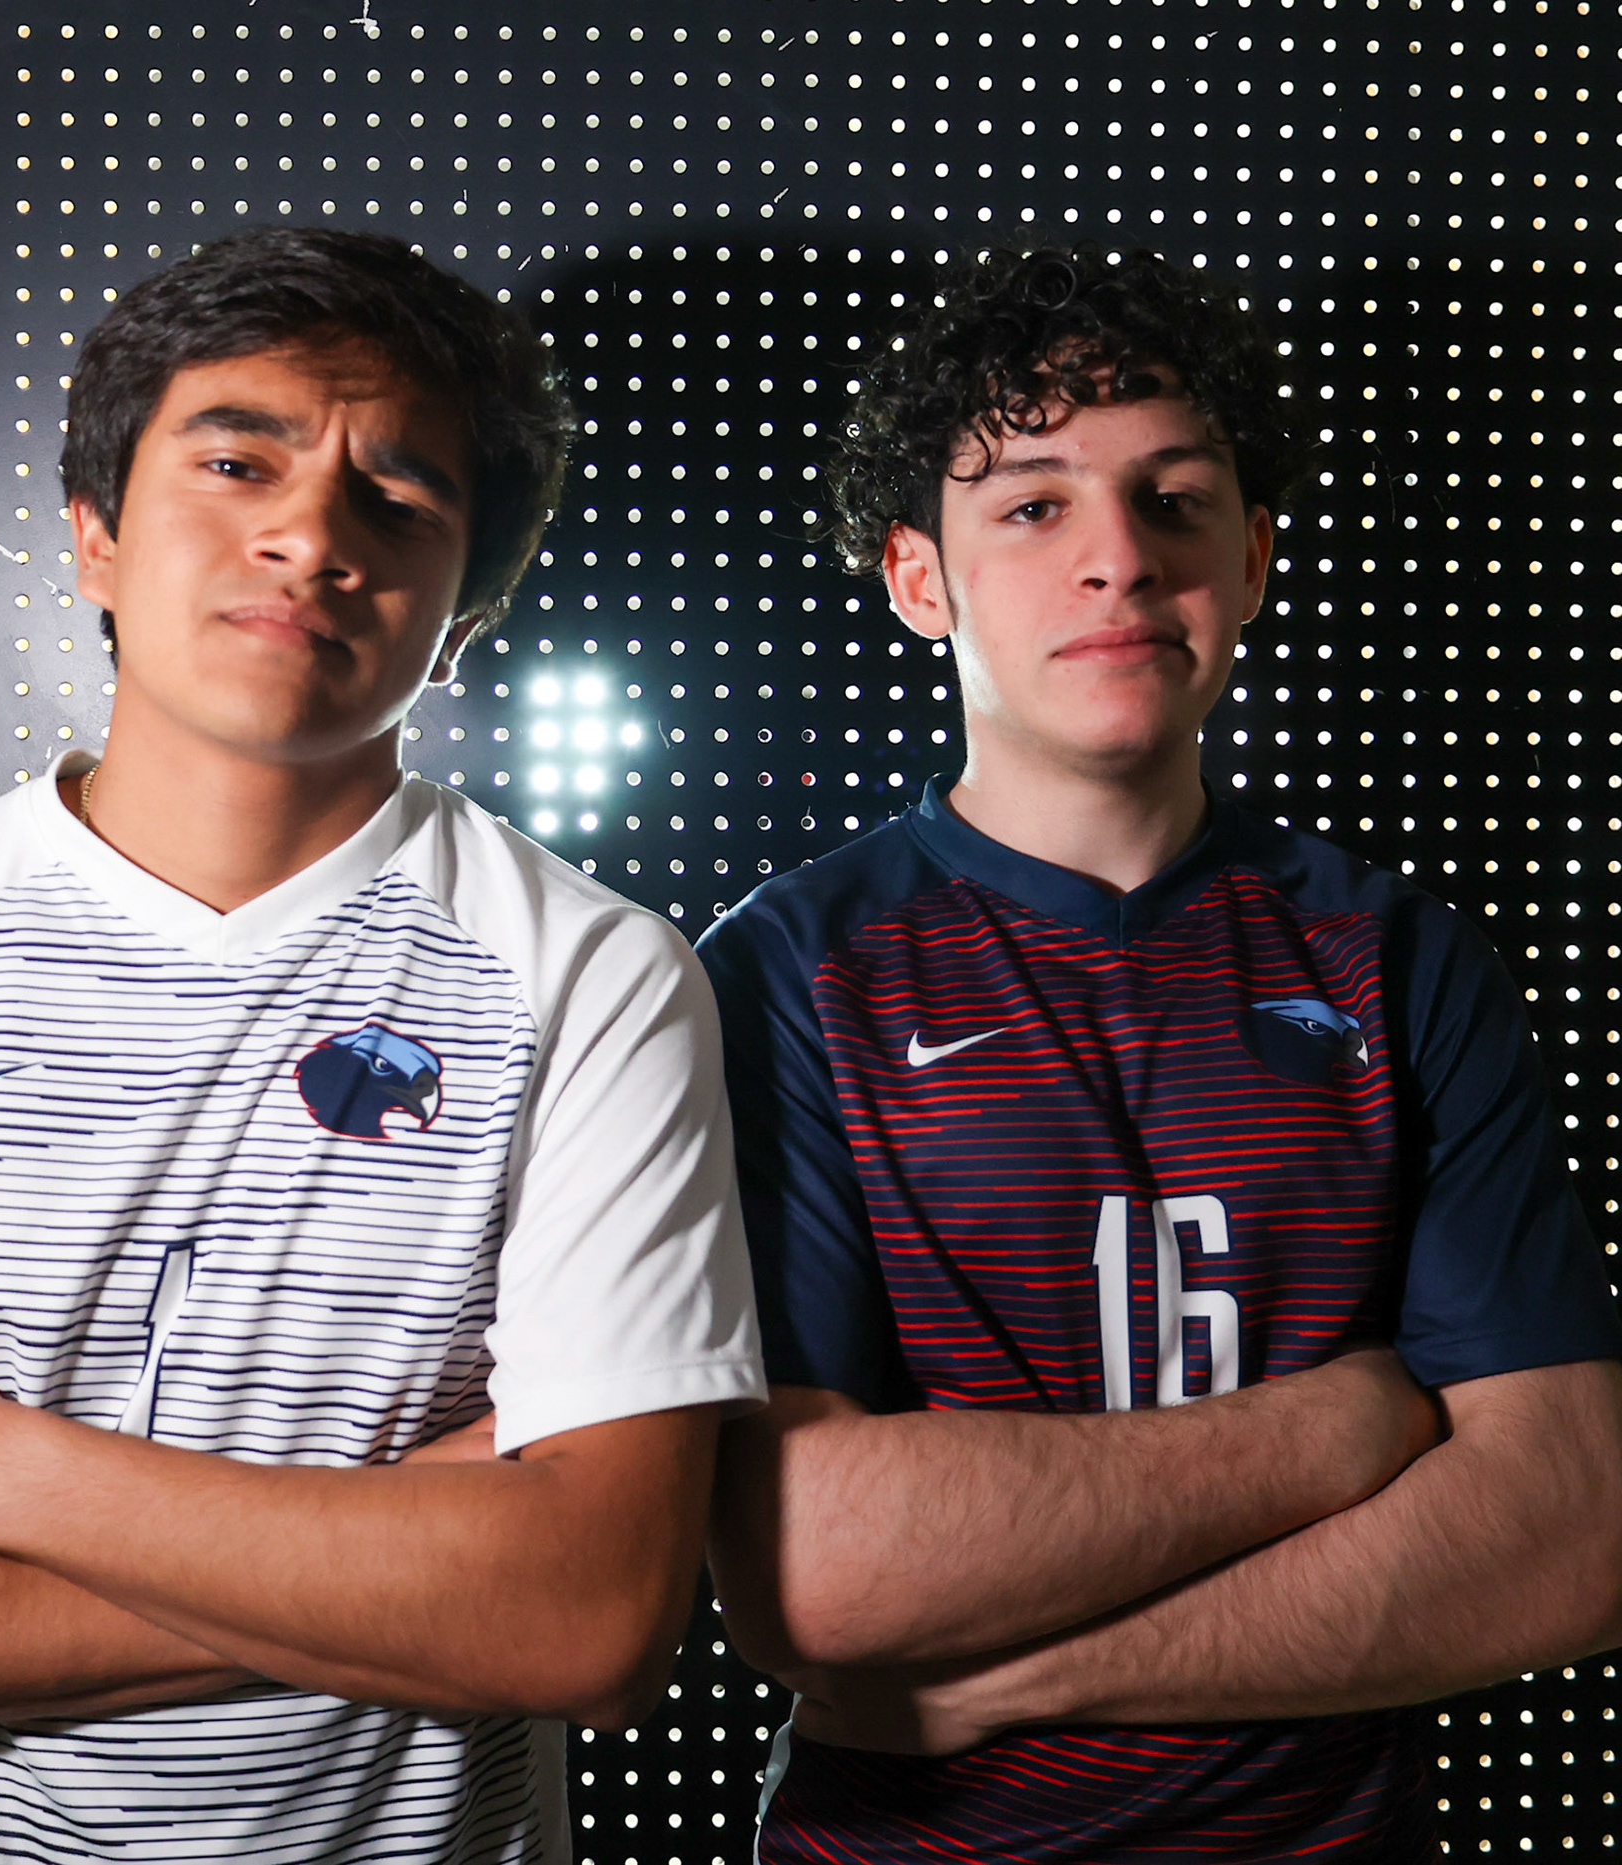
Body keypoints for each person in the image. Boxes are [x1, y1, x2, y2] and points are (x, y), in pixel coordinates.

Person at [0, 225, 765, 1863]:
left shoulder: (595, 981)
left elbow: (585, 1617)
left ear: (462, 610)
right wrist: (413, 1563)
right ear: (96, 536)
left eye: (395, 498)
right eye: (236, 459)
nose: (308, 534)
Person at [696, 245, 1622, 1863]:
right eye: (1034, 505)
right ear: (922, 578)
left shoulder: (1398, 958)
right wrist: (1341, 1429)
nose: (1118, 560)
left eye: (1176, 500)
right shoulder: (782, 971)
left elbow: (1568, 1532)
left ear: (1253, 559)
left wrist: (1031, 1669)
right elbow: (815, 1569)